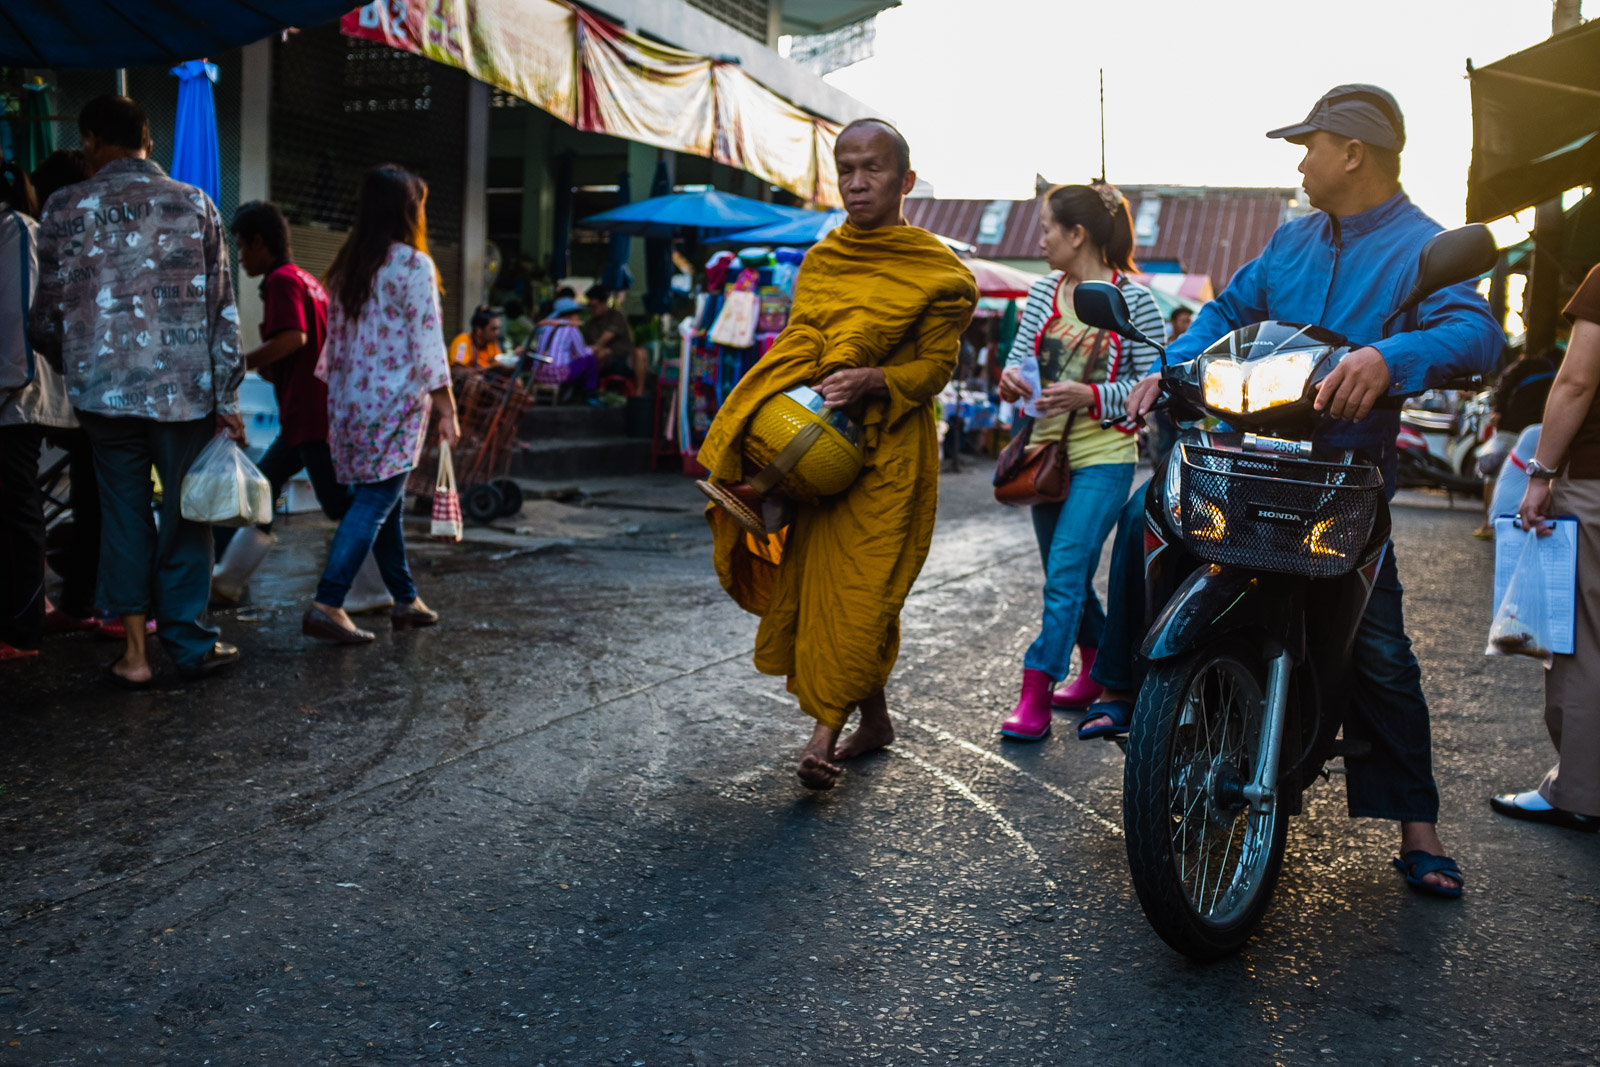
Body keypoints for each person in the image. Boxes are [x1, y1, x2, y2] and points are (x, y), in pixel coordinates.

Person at [1106, 84, 1502, 895]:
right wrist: (1169, 366)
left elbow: (1478, 332)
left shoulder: (1424, 247)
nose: (1300, 160)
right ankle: (1125, 695)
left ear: (1353, 153)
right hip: (1244, 467)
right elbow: (1225, 308)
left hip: (1344, 491)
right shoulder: (1290, 242)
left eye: (1310, 145)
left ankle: (1417, 826)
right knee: (1140, 520)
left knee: (1383, 652)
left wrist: (1391, 356)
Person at [696, 119, 979, 789]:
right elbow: (798, 344)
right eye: (845, 168)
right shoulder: (823, 261)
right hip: (817, 451)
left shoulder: (943, 275)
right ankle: (874, 719)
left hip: (891, 454)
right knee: (828, 586)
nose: (856, 182)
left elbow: (936, 370)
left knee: (864, 590)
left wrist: (875, 378)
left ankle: (822, 735)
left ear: (905, 180)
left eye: (872, 169)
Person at [29, 94, 245, 688]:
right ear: (147, 141)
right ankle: (189, 642)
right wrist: (227, 398)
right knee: (185, 514)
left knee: (123, 515)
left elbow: (44, 319)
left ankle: (134, 656)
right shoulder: (194, 202)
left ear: (94, 140)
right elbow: (222, 311)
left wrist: (77, 362)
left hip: (102, 393)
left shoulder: (62, 208)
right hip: (186, 392)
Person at [994, 183, 1164, 741]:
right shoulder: (1044, 291)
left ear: (1077, 234)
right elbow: (1022, 363)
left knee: (1065, 571)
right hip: (1045, 455)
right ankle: (1093, 667)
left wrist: (1088, 396)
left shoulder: (1133, 300)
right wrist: (1010, 381)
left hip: (1105, 455)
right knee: (1064, 576)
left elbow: (1151, 386)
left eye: (1047, 228)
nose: (1040, 240)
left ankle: (1036, 692)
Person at [303, 165, 458, 644]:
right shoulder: (412, 265)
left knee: (381, 501)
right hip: (393, 405)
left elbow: (334, 349)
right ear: (409, 211)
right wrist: (448, 408)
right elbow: (428, 343)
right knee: (377, 500)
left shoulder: (348, 266)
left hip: (348, 405)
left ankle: (406, 599)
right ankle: (329, 601)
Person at [211, 200, 382, 607]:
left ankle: (377, 588)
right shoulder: (307, 280)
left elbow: (293, 339)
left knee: (338, 504)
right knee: (262, 487)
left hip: (310, 414)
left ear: (258, 241)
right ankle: (227, 581)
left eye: (241, 247)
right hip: (308, 413)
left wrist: (240, 363)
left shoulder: (281, 281)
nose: (240, 257)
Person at [1498, 263, 1600, 832]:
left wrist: (1540, 475)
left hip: (1595, 480)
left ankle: (1580, 791)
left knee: (1584, 642)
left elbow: (1578, 381)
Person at [24, 149, 105, 638]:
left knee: (33, 495)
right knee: (89, 497)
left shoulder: (37, 232)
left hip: (49, 388)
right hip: (68, 389)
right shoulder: (47, 235)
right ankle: (79, 600)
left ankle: (73, 600)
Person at [1474, 345, 1557, 537]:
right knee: (1535, 476)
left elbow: (1501, 391)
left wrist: (1498, 412)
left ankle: (1489, 523)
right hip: (1537, 429)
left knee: (1493, 474)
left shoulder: (1521, 366)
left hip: (1511, 427)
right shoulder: (1553, 373)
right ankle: (1522, 521)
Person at [531, 297, 599, 399]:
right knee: (589, 360)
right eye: (577, 314)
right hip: (558, 375)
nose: (578, 317)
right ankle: (590, 395)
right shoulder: (571, 327)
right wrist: (593, 349)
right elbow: (582, 353)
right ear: (569, 315)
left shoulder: (545, 327)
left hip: (539, 374)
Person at [583, 284, 644, 393]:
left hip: (624, 360)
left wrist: (596, 348)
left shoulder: (616, 316)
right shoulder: (591, 323)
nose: (591, 309)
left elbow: (604, 340)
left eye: (594, 306)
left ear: (603, 303)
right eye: (590, 306)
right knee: (599, 354)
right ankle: (593, 390)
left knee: (640, 353)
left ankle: (639, 394)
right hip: (605, 362)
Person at [449, 306, 503, 370]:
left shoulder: (492, 343)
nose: (497, 333)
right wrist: (490, 368)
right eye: (493, 329)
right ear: (479, 330)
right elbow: (457, 368)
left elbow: (501, 364)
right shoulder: (462, 342)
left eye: (498, 329)